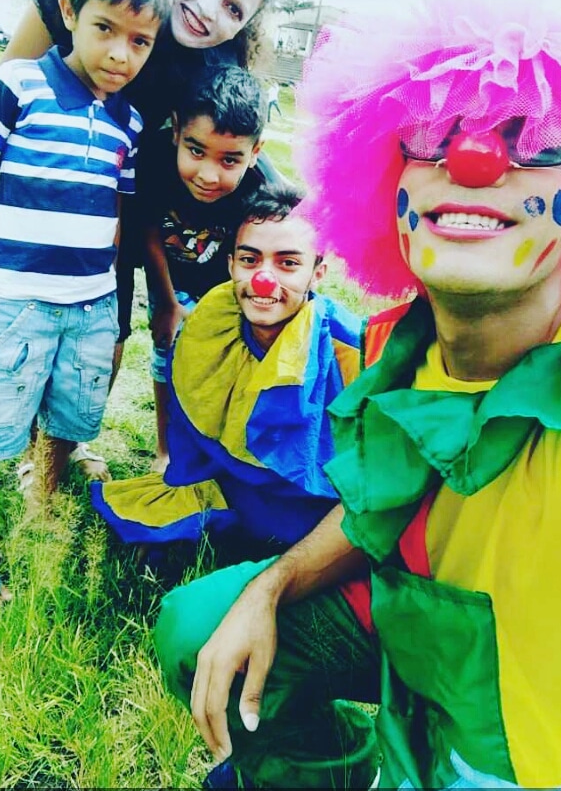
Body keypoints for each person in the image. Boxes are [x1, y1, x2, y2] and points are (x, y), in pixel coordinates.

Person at [153, 0, 561, 791]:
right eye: (432, 136)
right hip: (407, 620)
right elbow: (382, 504)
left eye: (535, 141)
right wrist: (271, 584)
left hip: (532, 750)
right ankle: (334, 771)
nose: (474, 161)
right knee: (202, 627)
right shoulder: (395, 343)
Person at [0, 0, 278, 484]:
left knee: (104, 337)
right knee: (22, 324)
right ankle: (19, 447)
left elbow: (241, 149)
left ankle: (59, 448)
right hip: (35, 189)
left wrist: (289, 214)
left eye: (233, 8)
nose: (209, 7)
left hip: (118, 205)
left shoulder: (214, 68)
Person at [0, 0, 171, 613]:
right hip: (16, 298)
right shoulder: (20, 84)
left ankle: (45, 493)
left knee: (71, 410)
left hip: (90, 304)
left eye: (140, 41)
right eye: (105, 29)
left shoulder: (128, 120)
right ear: (68, 12)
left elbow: (116, 213)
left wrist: (112, 295)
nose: (121, 54)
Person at [91, 183, 362, 562]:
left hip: (315, 503)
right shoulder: (208, 329)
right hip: (231, 488)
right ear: (231, 264)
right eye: (250, 260)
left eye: (287, 263)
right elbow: (190, 426)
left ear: (317, 274)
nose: (264, 279)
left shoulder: (351, 348)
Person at [140, 64, 267, 470]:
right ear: (176, 130)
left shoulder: (260, 189)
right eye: (196, 151)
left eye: (230, 160)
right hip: (171, 283)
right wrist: (165, 302)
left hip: (225, 292)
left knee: (224, 366)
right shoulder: (154, 165)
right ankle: (166, 450)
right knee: (167, 359)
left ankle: (218, 453)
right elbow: (148, 231)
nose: (209, 176)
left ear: (255, 152)